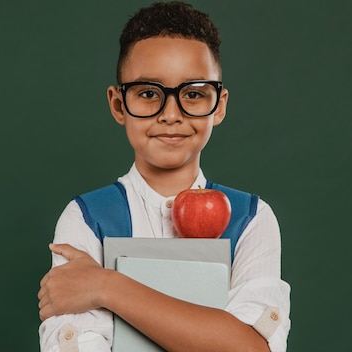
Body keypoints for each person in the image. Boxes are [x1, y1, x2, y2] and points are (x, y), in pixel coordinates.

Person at [37, 1, 291, 351]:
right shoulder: (85, 218)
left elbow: (251, 349)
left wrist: (105, 286)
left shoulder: (251, 218)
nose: (171, 114)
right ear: (118, 104)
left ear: (219, 105)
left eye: (193, 94)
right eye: (147, 93)